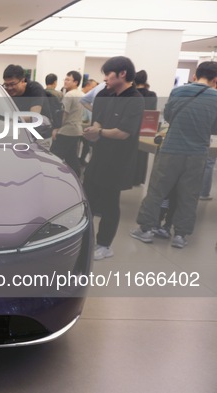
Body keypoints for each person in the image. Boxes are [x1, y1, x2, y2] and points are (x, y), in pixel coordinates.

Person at [130, 61, 217, 249]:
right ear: (215, 80)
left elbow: (169, 116)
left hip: (171, 150)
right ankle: (180, 235)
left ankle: (145, 229)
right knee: (189, 195)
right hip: (197, 153)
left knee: (157, 191)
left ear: (195, 75)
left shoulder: (178, 91)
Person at [82, 56, 145, 260]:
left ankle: (104, 245)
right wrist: (95, 129)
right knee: (88, 200)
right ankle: (85, 240)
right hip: (98, 158)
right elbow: (100, 119)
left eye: (108, 74)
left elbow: (123, 132)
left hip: (117, 163)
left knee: (109, 204)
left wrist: (99, 132)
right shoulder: (107, 94)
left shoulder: (135, 100)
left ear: (122, 74)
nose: (105, 79)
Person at [2, 64, 53, 139]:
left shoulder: (35, 89)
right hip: (21, 135)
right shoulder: (6, 91)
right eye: (6, 84)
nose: (9, 88)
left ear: (22, 81)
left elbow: (34, 116)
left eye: (12, 84)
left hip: (40, 136)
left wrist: (10, 118)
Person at [50, 70, 84, 176]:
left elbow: (64, 114)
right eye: (65, 79)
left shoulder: (69, 95)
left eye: (69, 80)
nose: (65, 81)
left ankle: (51, 176)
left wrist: (56, 128)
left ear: (76, 82)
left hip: (66, 130)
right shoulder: (82, 94)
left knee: (54, 155)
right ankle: (77, 177)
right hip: (77, 130)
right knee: (71, 157)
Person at [132, 70, 158, 186]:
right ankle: (139, 179)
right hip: (145, 128)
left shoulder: (132, 93)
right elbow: (152, 112)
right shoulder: (151, 94)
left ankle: (130, 177)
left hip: (131, 126)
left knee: (130, 153)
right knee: (142, 154)